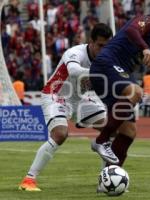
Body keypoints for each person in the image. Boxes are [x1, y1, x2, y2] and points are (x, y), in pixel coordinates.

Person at [89, 3, 150, 167]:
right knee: (136, 91)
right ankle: (101, 140)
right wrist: (145, 49)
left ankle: (110, 175)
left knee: (129, 132)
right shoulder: (147, 20)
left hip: (115, 71)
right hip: (106, 64)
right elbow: (131, 30)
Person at [18, 23, 113, 192]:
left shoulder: (107, 57)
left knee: (111, 130)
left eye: (107, 46)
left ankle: (106, 181)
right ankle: (29, 180)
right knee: (60, 134)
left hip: (82, 98)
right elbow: (75, 71)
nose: (104, 50)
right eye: (100, 45)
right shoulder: (75, 52)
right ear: (91, 41)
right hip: (56, 94)